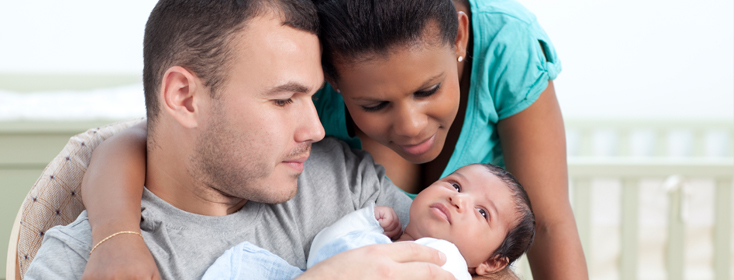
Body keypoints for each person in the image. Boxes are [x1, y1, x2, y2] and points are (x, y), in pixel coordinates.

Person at [83, 0, 588, 279]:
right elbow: (147, 137)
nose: (411, 126)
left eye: (429, 89)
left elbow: (549, 219)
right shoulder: (316, 100)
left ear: (458, 39)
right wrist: (115, 234)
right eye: (373, 105)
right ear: (335, 78)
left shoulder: (503, 45)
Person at [23, 0, 456, 279]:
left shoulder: (346, 183)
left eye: (313, 96)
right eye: (284, 99)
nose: (317, 130)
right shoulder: (89, 263)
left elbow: (477, 262)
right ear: (184, 97)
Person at [202, 163, 535, 280]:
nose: (458, 199)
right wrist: (367, 219)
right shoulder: (376, 236)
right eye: (455, 184)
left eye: (482, 212)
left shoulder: (448, 266)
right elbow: (324, 252)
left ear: (492, 262)